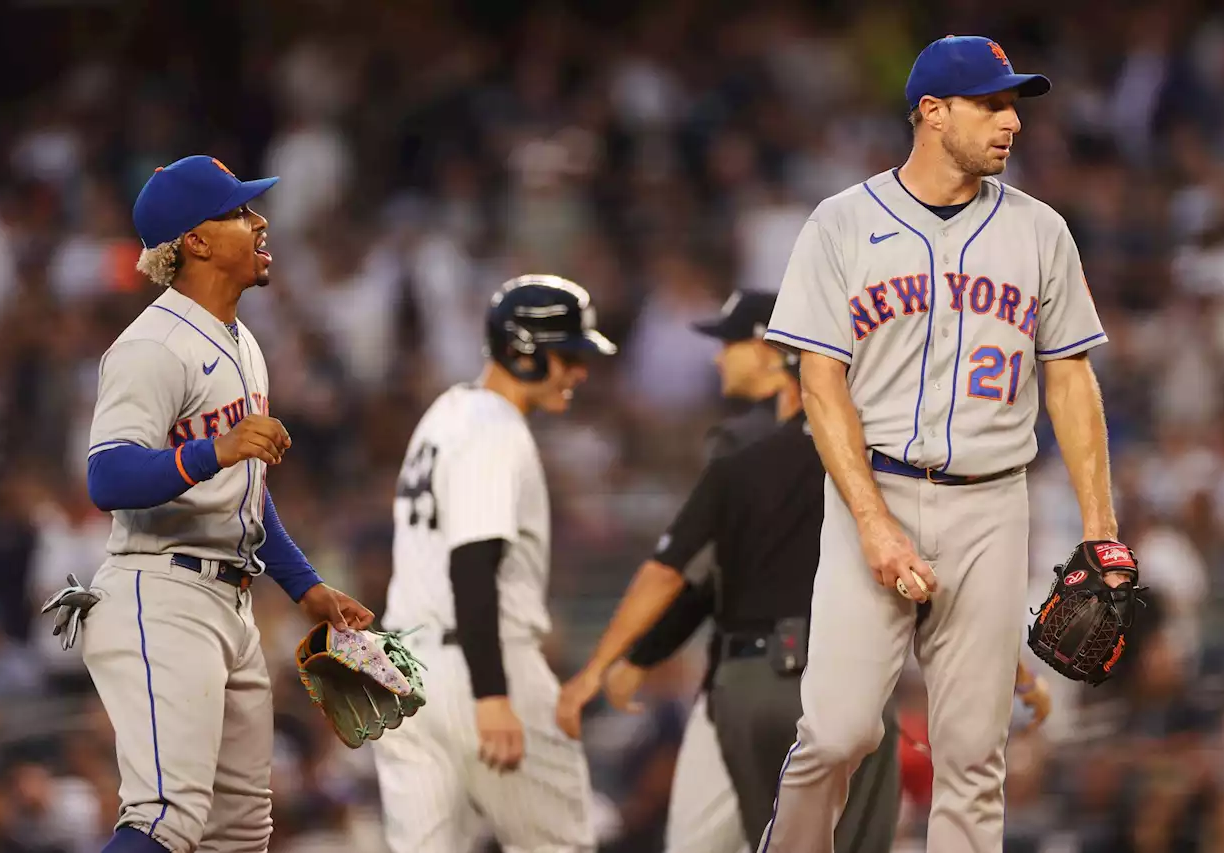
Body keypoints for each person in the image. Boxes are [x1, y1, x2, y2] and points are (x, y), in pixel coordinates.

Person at [750, 36, 1134, 852]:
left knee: (972, 757)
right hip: (876, 490)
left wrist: (1101, 528)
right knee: (837, 732)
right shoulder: (842, 224)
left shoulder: (1041, 232)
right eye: (990, 104)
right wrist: (871, 519)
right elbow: (820, 386)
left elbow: (1069, 378)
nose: (1010, 123)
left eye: (1013, 106)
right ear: (931, 112)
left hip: (993, 500)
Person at [58, 154, 375, 853]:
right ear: (194, 241)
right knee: (166, 816)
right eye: (237, 212)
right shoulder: (149, 345)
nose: (258, 221)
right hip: (158, 591)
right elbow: (107, 478)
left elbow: (245, 496)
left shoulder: (245, 342)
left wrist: (306, 586)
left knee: (238, 835)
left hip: (228, 601)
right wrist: (213, 450)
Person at [556, 289, 904, 852]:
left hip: (743, 680)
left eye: (729, 342)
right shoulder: (874, 449)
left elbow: (688, 575)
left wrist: (626, 659)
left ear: (772, 350)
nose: (718, 356)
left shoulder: (742, 444)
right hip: (838, 668)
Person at [371, 275, 617, 853]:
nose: (579, 372)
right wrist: (492, 696)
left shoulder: (444, 414)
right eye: (569, 357)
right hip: (482, 664)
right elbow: (473, 566)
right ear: (524, 353)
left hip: (403, 671)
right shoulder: (495, 429)